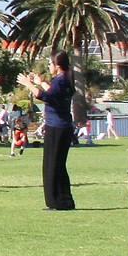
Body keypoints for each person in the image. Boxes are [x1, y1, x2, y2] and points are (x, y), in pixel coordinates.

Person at [21, 52, 77, 211]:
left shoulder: (60, 80)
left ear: (57, 65)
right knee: (59, 165)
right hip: (63, 126)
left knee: (51, 165)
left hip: (56, 127)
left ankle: (55, 202)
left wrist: (28, 84)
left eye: (50, 64)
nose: (49, 66)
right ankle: (65, 201)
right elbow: (53, 94)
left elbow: (45, 96)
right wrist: (40, 82)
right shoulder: (64, 79)